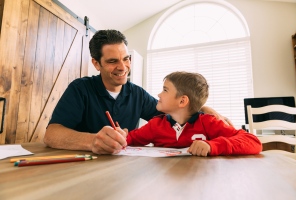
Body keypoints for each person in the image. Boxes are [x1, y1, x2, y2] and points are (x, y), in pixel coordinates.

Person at [43, 29, 233, 155]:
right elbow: (51, 134)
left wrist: (201, 108)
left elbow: (174, 113)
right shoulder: (80, 89)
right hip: (81, 168)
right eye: (112, 61)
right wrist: (93, 141)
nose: (123, 67)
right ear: (96, 63)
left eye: (126, 59)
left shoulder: (137, 94)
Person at [126, 71, 262, 156]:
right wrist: (120, 137)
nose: (159, 94)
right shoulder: (155, 124)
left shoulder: (208, 122)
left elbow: (253, 141)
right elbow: (129, 139)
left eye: (165, 90)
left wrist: (212, 145)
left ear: (182, 101)